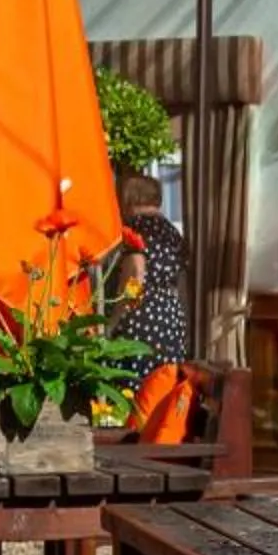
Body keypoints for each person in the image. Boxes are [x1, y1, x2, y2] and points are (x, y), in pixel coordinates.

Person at [117, 174, 197, 442]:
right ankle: (155, 439)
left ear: (128, 199)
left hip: (142, 315)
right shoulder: (173, 233)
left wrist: (115, 318)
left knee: (129, 387)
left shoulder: (134, 228)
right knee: (161, 384)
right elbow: (182, 283)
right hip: (171, 316)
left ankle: (129, 443)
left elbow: (136, 273)